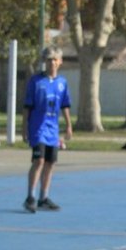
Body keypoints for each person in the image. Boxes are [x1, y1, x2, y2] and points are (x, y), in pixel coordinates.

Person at [22, 47, 72, 213]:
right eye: (49, 59)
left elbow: (65, 105)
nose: (52, 62)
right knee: (39, 161)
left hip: (53, 130)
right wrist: (24, 128)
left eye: (55, 59)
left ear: (60, 61)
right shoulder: (36, 81)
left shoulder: (62, 82)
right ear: (45, 61)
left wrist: (68, 125)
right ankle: (30, 197)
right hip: (38, 128)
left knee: (50, 163)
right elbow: (27, 107)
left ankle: (44, 197)